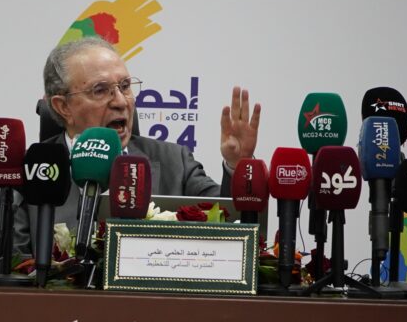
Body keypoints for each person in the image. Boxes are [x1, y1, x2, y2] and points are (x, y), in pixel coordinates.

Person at [13, 36, 260, 255]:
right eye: (100, 90)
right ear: (63, 107)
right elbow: (15, 268)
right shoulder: (29, 172)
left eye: (125, 86)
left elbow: (229, 224)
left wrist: (237, 165)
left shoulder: (174, 161)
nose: (121, 102)